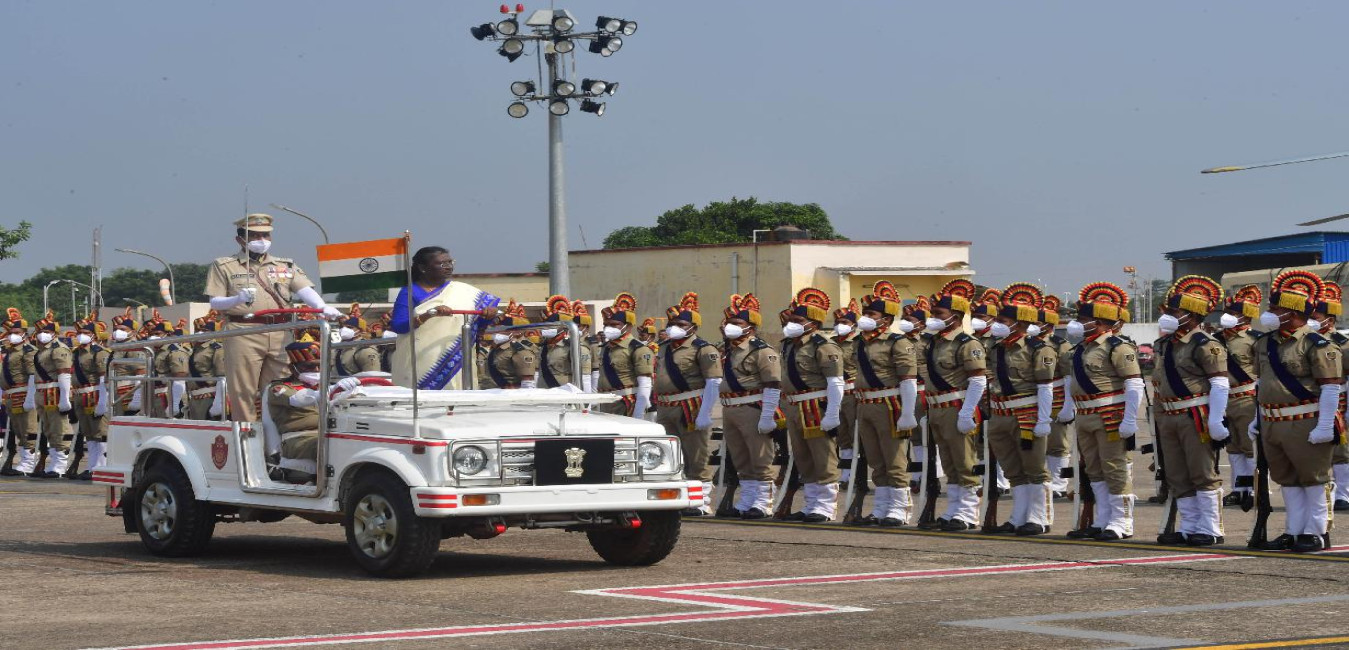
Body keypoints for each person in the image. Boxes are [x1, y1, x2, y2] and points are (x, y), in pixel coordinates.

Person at [205, 213, 342, 421]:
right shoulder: (225, 265)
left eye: (266, 235)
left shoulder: (284, 265)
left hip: (280, 331)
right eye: (255, 236)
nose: (261, 240)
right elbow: (215, 302)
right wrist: (237, 299)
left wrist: (321, 306)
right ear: (240, 239)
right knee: (243, 390)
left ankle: (276, 434)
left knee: (279, 386)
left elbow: (304, 289)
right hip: (244, 331)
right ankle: (247, 434)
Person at [1253, 270, 1342, 552]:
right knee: (1287, 479)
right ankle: (1293, 530)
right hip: (1272, 421)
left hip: (1304, 420)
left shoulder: (1316, 344)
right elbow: (1261, 382)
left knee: (1313, 478)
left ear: (1291, 312)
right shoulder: (1264, 343)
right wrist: (1257, 419)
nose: (1269, 313)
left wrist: (1325, 425)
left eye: (1274, 308)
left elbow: (1330, 387)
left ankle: (1316, 532)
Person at [1060, 282, 1143, 541]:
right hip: (1085, 415)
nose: (1077, 323)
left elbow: (1134, 384)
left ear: (1098, 322)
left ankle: (1122, 521)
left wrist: (1130, 419)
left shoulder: (1117, 347)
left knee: (1114, 467)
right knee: (1094, 470)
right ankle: (1103, 519)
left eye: (1082, 319)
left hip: (1109, 414)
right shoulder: (1081, 348)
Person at [1152, 276, 1229, 546]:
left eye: (1175, 312)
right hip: (1169, 415)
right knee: (1177, 474)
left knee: (1202, 473)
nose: (1169, 316)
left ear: (1192, 316)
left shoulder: (1205, 344)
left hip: (1195, 415)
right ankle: (1189, 527)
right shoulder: (1164, 344)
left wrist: (1217, 420)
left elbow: (1220, 383)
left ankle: (1210, 528)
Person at [984, 283, 1058, 536]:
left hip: (1026, 414)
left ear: (1020, 323)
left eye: (1003, 321)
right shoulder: (997, 347)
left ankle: (1039, 517)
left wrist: (1044, 419)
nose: (997, 325)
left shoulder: (1038, 348)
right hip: (1000, 414)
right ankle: (1018, 517)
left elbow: (1045, 386)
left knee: (1035, 468)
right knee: (1013, 469)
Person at [917, 280, 987, 532]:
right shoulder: (934, 342)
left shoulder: (967, 343)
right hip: (936, 408)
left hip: (956, 406)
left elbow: (978, 381)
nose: (933, 317)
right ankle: (954, 510)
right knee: (949, 462)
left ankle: (967, 513)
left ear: (955, 316)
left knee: (964, 461)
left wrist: (967, 412)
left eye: (939, 313)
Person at [850, 281, 920, 526]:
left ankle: (900, 509)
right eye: (865, 313)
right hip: (865, 405)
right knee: (876, 461)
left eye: (871, 314)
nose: (865, 318)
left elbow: (908, 380)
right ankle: (881, 508)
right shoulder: (860, 342)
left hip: (889, 405)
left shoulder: (897, 342)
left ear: (886, 319)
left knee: (895, 460)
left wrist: (908, 412)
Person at [778, 288, 846, 523]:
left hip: (815, 406)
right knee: (803, 458)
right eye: (792, 320)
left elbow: (835, 382)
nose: (792, 324)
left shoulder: (823, 346)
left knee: (823, 457)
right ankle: (811, 505)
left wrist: (833, 413)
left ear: (813, 323)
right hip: (794, 407)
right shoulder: (788, 344)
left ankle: (825, 507)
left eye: (798, 320)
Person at [389, 246, 499, 390]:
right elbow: (398, 325)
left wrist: (488, 314)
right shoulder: (410, 292)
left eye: (450, 262)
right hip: (421, 360)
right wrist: (429, 314)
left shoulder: (463, 291)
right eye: (442, 263)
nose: (448, 266)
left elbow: (477, 323)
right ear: (423, 268)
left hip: (456, 360)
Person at [653, 293, 723, 516]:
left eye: (681, 324)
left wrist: (705, 413)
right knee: (670, 455)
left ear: (693, 327)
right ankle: (677, 499)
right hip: (665, 407)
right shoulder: (664, 347)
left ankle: (700, 501)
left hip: (690, 406)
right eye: (672, 324)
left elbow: (713, 382)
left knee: (696, 456)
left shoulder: (703, 349)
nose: (675, 328)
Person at [718, 294, 782, 519]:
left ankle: (763, 503)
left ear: (751, 327)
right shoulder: (727, 350)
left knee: (760, 458)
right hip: (729, 408)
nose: (730, 326)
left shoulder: (762, 351)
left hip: (752, 407)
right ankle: (747, 500)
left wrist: (768, 416)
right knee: (741, 458)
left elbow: (773, 385)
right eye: (729, 323)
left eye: (737, 323)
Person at [1216, 286, 1262, 510]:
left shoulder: (1254, 339)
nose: (1228, 316)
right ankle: (1238, 489)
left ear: (1246, 316)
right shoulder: (1217, 338)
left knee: (1249, 446)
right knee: (1233, 447)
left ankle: (1256, 489)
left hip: (1246, 398)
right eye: (1227, 312)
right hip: (1223, 398)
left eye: (1233, 313)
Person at [1308, 282, 1349, 513]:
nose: (1311, 321)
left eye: (1316, 317)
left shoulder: (1343, 344)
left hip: (1337, 401)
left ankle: (1343, 494)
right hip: (1309, 400)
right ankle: (1324, 492)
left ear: (1329, 320)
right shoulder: (1304, 340)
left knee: (1340, 451)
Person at [1038, 296, 1075, 499]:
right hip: (1031, 400)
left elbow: (1069, 377)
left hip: (1056, 399)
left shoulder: (1061, 345)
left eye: (1038, 322)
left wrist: (1068, 406)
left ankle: (1059, 484)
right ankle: (1041, 482)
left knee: (1057, 443)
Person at [30, 312, 74, 478]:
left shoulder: (58, 349)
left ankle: (60, 464)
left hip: (54, 392)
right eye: (40, 331)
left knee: (59, 428)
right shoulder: (41, 351)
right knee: (48, 429)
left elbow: (64, 374)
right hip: (42, 393)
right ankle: (54, 462)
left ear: (54, 333)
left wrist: (64, 398)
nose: (42, 334)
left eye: (46, 332)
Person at [596, 293, 655, 417]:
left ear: (627, 326)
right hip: (605, 403)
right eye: (606, 325)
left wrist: (638, 414)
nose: (608, 328)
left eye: (614, 324)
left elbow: (645, 385)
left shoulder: (638, 349)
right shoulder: (605, 348)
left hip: (626, 404)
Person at [70, 315, 111, 479]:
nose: (82, 335)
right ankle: (92, 466)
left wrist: (103, 400)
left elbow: (103, 377)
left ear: (94, 335)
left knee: (100, 432)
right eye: (79, 332)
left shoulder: (99, 353)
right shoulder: (76, 353)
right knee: (88, 433)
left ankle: (102, 466)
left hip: (95, 394)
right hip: (80, 396)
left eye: (86, 333)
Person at [1, 309, 36, 476]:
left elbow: (32, 375)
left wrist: (30, 397)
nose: (12, 335)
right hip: (11, 395)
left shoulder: (28, 350)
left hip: (23, 393)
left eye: (16, 332)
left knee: (28, 428)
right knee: (18, 430)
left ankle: (29, 463)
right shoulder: (10, 351)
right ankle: (23, 461)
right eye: (11, 332)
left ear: (24, 334)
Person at [831, 300, 861, 487]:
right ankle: (846, 473)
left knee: (855, 432)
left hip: (852, 393)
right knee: (842, 435)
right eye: (837, 322)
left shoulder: (858, 343)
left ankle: (858, 472)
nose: (840, 325)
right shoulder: (831, 343)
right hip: (836, 393)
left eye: (844, 322)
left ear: (853, 325)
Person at [536, 295, 593, 391]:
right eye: (546, 326)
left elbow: (585, 379)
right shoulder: (544, 347)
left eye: (552, 326)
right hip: (545, 395)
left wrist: (586, 400)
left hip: (566, 396)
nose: (547, 329)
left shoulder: (574, 346)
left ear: (563, 327)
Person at [482, 300, 538, 389]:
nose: (497, 333)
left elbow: (528, 381)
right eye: (496, 330)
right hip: (495, 392)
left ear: (513, 331)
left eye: (501, 330)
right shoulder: (498, 348)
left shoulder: (520, 349)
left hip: (511, 393)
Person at [188, 311, 227, 420]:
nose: (200, 333)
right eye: (198, 330)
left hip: (209, 397)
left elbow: (222, 377)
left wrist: (218, 402)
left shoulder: (217, 348)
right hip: (194, 397)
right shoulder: (196, 349)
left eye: (204, 330)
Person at [146, 318, 189, 419]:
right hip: (157, 394)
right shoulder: (154, 350)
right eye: (152, 334)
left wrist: (174, 403)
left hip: (170, 395)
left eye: (158, 334)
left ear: (168, 334)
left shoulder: (174, 350)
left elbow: (180, 376)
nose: (154, 336)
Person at [333, 304, 382, 378]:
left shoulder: (365, 350)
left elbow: (373, 379)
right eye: (342, 327)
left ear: (360, 330)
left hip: (356, 385)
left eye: (350, 327)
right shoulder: (337, 349)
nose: (344, 330)